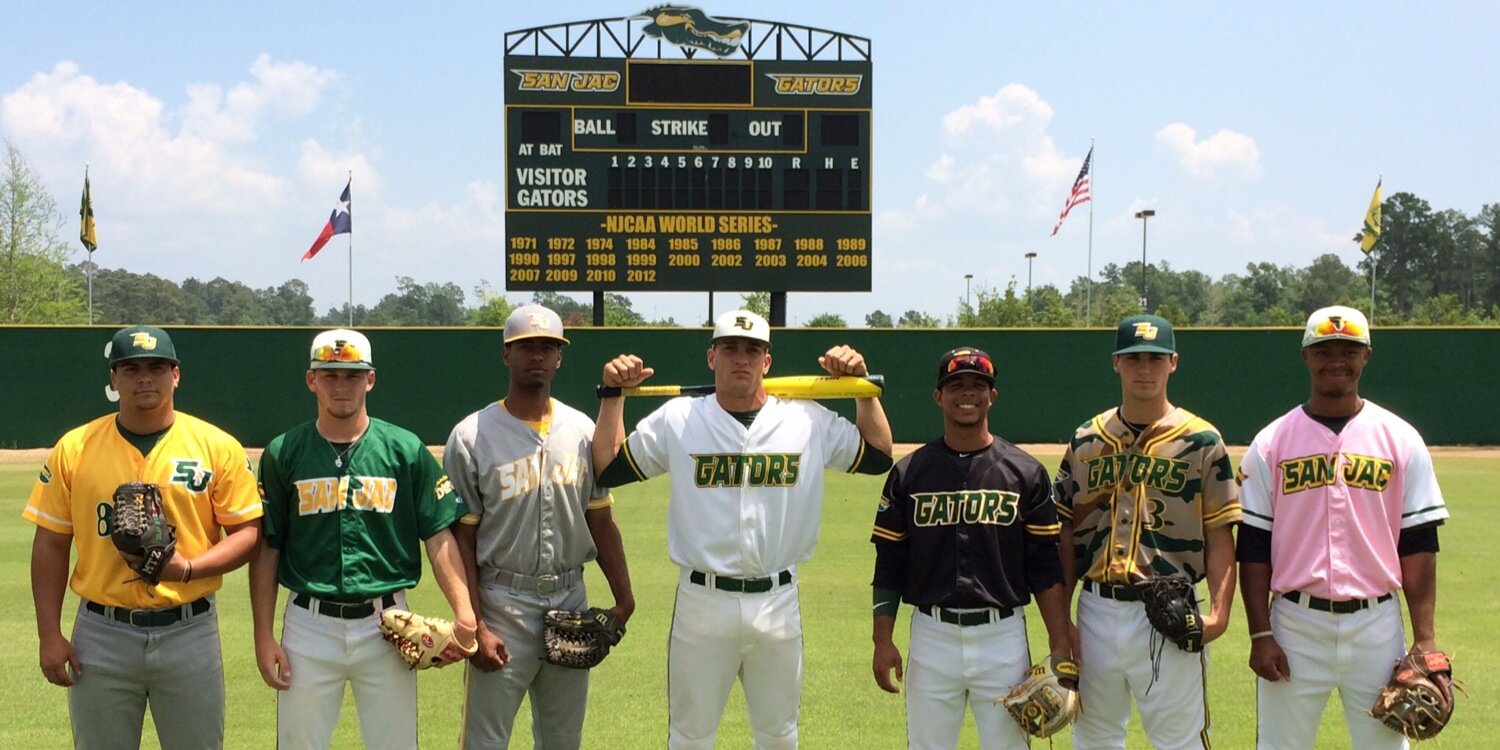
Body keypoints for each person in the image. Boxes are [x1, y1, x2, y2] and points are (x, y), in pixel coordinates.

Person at [593, 309, 894, 749]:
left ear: (767, 361)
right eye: (730, 348)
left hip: (777, 600)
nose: (741, 358)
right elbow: (608, 466)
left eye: (753, 350)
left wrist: (862, 390)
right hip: (702, 601)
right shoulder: (679, 418)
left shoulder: (805, 419)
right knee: (690, 738)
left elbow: (878, 454)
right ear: (711, 357)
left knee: (779, 736)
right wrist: (612, 395)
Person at [25, 325, 263, 749]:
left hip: (189, 631)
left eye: (157, 367)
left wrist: (187, 569)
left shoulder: (217, 446)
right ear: (113, 379)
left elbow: (247, 533)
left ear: (176, 375)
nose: (145, 378)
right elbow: (50, 543)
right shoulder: (75, 448)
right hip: (101, 633)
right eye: (131, 369)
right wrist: (49, 634)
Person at [250, 328, 477, 750]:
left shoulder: (405, 449)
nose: (342, 386)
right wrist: (263, 635)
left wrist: (464, 612)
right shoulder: (284, 452)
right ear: (311, 379)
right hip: (309, 625)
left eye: (353, 375)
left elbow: (438, 535)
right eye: (330, 375)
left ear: (370, 379)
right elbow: (268, 547)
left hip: (388, 625)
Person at [1237, 306, 1448, 750]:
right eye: (1324, 351)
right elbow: (1253, 546)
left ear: (1366, 355)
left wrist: (1425, 637)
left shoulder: (1401, 439)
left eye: (1349, 351)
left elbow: (1418, 544)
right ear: (1306, 356)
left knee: (1384, 747)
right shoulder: (1271, 442)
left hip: (1377, 626)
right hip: (1295, 624)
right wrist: (1260, 634)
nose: (1337, 360)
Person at [445, 304, 635, 750]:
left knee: (563, 740)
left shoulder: (582, 430)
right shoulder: (471, 436)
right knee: (484, 742)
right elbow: (462, 539)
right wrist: (476, 624)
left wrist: (624, 598)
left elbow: (600, 518)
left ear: (559, 357)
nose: (537, 355)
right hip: (501, 603)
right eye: (526, 346)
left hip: (570, 599)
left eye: (548, 347)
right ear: (506, 355)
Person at [870, 347, 1074, 750]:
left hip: (1003, 638)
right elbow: (890, 562)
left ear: (992, 396)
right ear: (939, 396)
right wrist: (882, 639)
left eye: (978, 386)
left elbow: (1044, 567)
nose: (968, 393)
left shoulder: (1025, 473)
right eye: (956, 385)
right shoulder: (909, 473)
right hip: (932, 636)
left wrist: (1059, 642)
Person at [1054, 314, 1240, 750]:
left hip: (1170, 609)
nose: (1144, 369)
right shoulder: (1086, 440)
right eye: (1134, 358)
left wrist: (1218, 616)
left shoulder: (1201, 441)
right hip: (1096, 610)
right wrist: (1062, 622)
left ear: (1173, 362)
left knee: (1180, 741)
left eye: (1155, 359)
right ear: (1116, 363)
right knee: (1093, 738)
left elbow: (1219, 533)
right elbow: (1064, 533)